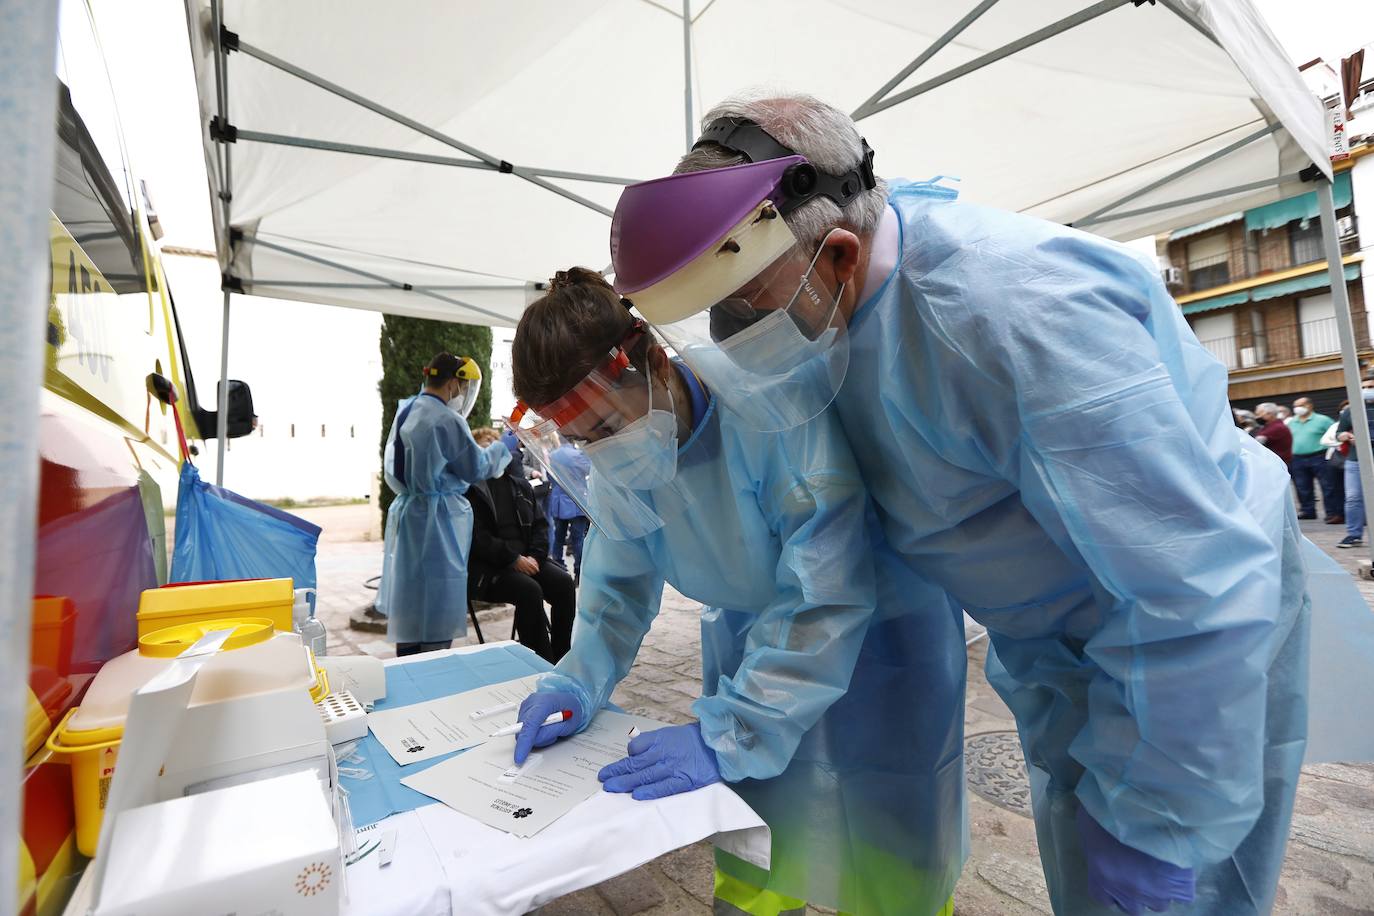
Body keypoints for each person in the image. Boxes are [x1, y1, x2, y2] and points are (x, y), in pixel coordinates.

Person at [611, 92, 1314, 915]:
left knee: (1180, 878)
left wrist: (1160, 823)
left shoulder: (1017, 313)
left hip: (1193, 642)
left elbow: (1190, 583)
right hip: (1058, 646)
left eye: (754, 307)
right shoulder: (835, 315)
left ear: (838, 254)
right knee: (1086, 862)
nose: (740, 337)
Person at [506, 268, 966, 916]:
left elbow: (823, 594)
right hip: (755, 643)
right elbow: (616, 593)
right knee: (760, 840)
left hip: (883, 641)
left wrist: (736, 730)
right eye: (582, 440)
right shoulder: (623, 468)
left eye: (608, 424)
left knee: (890, 843)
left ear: (656, 363)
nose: (601, 451)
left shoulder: (770, 410)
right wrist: (576, 682)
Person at [377, 353, 510, 657]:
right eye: (461, 387)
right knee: (438, 594)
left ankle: (408, 663)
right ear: (452, 383)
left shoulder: (407, 409)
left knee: (410, 595)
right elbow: (475, 468)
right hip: (438, 520)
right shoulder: (447, 419)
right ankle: (434, 664)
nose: (462, 393)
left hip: (410, 514)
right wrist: (505, 447)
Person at [468, 426, 575, 663]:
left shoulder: (520, 486)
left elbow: (540, 526)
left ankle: (562, 656)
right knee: (529, 590)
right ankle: (540, 662)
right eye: (484, 449)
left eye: (494, 447)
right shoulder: (470, 492)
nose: (492, 454)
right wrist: (513, 559)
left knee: (564, 583)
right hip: (491, 569)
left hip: (528, 560)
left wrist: (536, 557)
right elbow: (477, 539)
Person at [1334, 382, 1374, 548]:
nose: (1367, 390)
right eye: (1363, 386)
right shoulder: (1351, 410)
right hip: (1355, 459)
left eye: (1371, 386)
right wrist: (1344, 436)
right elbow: (1339, 432)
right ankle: (1354, 534)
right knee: (1353, 498)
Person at [546, 439, 591, 582]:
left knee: (558, 538)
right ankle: (579, 573)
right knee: (578, 539)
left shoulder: (553, 455)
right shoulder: (578, 454)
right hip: (577, 500)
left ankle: (559, 570)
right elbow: (589, 471)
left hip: (559, 500)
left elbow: (549, 477)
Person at [1289, 397, 1339, 522]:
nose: (1297, 408)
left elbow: (1335, 433)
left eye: (1300, 405)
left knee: (1327, 485)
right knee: (1302, 487)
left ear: (1309, 405)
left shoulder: (1322, 420)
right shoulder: (1291, 422)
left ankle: (1332, 513)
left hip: (1319, 456)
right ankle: (1308, 511)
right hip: (1298, 458)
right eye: (1295, 406)